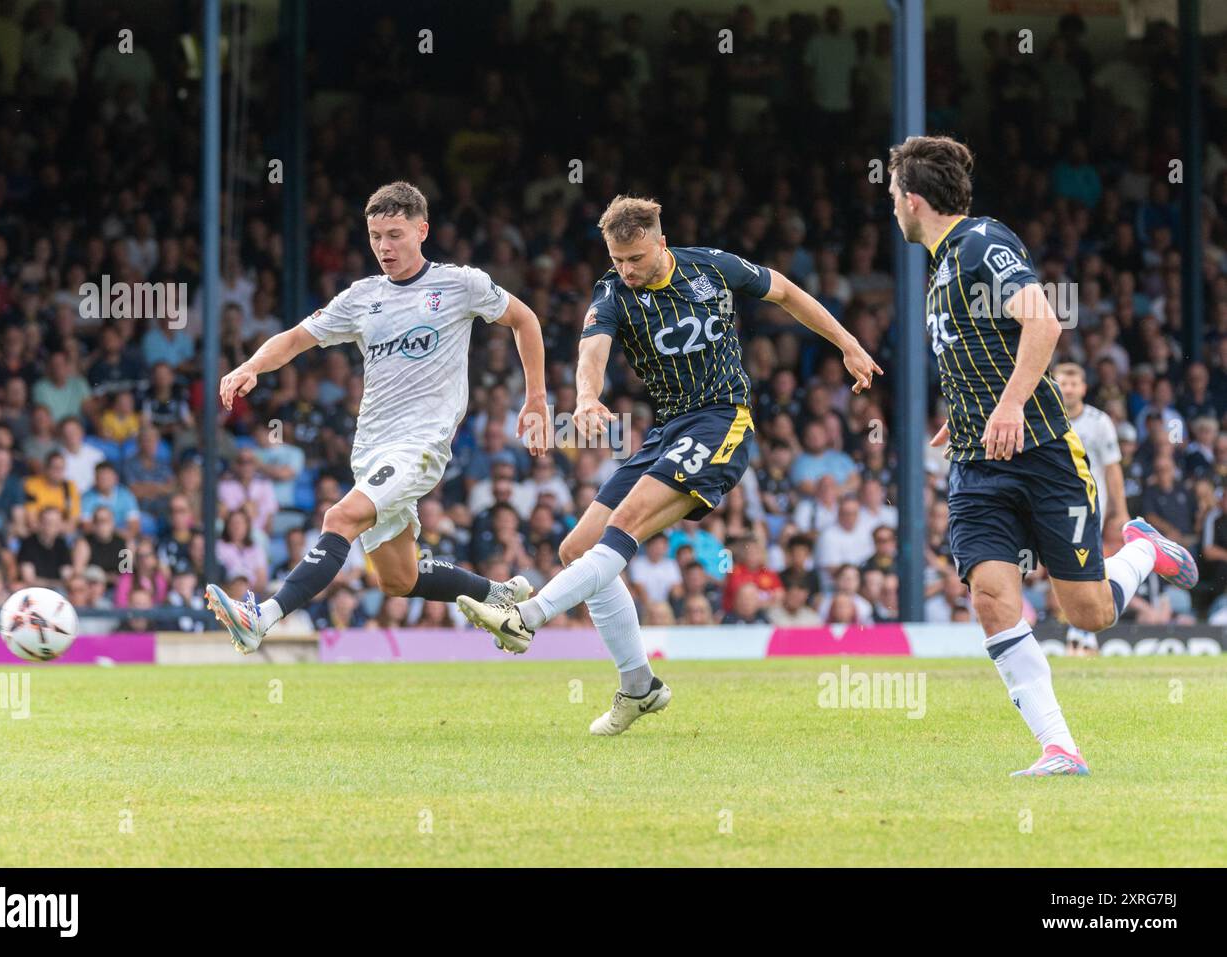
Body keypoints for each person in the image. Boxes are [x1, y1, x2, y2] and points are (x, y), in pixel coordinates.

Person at [458, 194, 881, 735]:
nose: (627, 271)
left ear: (661, 242)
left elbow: (788, 293)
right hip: (667, 430)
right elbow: (593, 349)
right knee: (576, 549)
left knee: (623, 525)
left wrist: (846, 343)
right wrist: (587, 398)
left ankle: (527, 616)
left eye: (636, 258)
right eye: (617, 260)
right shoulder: (612, 291)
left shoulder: (711, 267)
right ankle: (639, 689)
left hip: (721, 420)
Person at [887, 134, 1197, 776]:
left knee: (1088, 612)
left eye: (893, 195)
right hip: (976, 464)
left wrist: (1006, 407)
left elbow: (1044, 321)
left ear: (913, 200)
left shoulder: (982, 241)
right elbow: (984, 352)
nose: (892, 206)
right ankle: (1060, 747)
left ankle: (1142, 548)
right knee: (992, 597)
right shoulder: (939, 271)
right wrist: (967, 415)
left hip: (1043, 454)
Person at [204, 182, 547, 653]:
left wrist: (535, 397)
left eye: (395, 234)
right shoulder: (362, 297)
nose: (384, 246)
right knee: (399, 579)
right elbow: (295, 338)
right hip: (370, 449)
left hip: (420, 444)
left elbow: (525, 319)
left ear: (422, 230)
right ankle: (499, 595)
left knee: (339, 517)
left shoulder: (460, 284)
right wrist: (249, 366)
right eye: (375, 236)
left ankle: (261, 617)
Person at [1053, 361, 1129, 655]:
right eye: (1063, 383)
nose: (1069, 389)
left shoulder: (1100, 422)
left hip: (1088, 505)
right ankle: (1078, 630)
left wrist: (1119, 511)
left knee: (1085, 566)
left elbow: (1113, 469)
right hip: (1052, 504)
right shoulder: (1044, 418)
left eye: (1074, 384)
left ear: (1083, 388)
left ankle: (1082, 633)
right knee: (1064, 567)